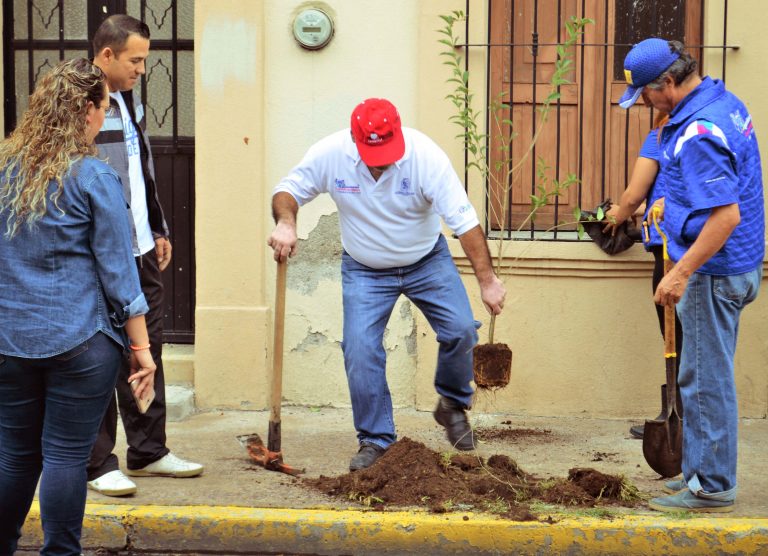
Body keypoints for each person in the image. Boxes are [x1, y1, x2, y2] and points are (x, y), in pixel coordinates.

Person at [269, 98, 507, 471]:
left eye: (387, 152)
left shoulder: (425, 156)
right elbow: (288, 191)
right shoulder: (331, 154)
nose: (380, 161)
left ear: (398, 134)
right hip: (365, 268)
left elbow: (465, 224)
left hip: (426, 260)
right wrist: (286, 222)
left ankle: (451, 403)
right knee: (360, 350)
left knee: (461, 329)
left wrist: (488, 281)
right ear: (354, 139)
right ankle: (376, 440)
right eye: (371, 153)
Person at [0, 58, 156, 556]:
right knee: (65, 456)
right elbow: (119, 272)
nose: (103, 120)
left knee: (13, 456)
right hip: (81, 342)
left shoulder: (5, 171)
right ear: (86, 111)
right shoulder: (93, 177)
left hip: (9, 341)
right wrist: (142, 348)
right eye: (104, 110)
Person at [619, 38, 763, 512]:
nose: (644, 102)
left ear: (668, 82)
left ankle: (712, 486)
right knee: (704, 375)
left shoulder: (698, 130)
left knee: (703, 381)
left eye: (645, 93)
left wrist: (680, 273)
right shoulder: (723, 101)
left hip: (712, 272)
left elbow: (725, 217)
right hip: (735, 266)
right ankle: (700, 473)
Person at [86, 14, 203, 498]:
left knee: (148, 350)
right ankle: (96, 463)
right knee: (99, 354)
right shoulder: (82, 100)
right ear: (107, 55)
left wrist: (156, 226)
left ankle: (148, 450)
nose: (141, 69)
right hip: (99, 255)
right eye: (135, 60)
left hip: (139, 250)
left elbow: (137, 170)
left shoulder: (126, 96)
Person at [604, 112, 684, 440]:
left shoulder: (659, 135)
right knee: (684, 337)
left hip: (669, 256)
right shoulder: (693, 136)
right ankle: (678, 413)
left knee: (674, 338)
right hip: (697, 250)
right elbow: (655, 200)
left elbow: (634, 195)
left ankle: (677, 417)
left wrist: (609, 217)